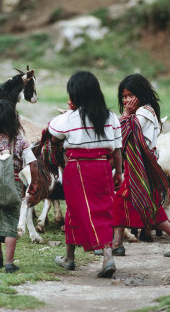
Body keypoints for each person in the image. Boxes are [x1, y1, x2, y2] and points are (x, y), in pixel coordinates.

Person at [48, 71, 123, 278]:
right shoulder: (111, 118)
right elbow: (117, 149)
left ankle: (107, 257)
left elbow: (53, 134)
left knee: (76, 210)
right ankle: (70, 258)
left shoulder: (69, 118)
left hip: (77, 169)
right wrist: (119, 172)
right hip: (103, 168)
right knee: (102, 211)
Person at [112, 74, 170, 257]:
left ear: (140, 94)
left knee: (142, 205)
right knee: (128, 203)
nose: (126, 100)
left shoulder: (144, 113)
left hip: (141, 166)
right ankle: (117, 244)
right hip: (136, 165)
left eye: (130, 95)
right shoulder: (140, 112)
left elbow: (122, 133)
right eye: (124, 96)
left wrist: (125, 115)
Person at [0, 100, 38, 273]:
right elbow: (33, 163)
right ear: (14, 120)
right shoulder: (19, 140)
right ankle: (9, 262)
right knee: (11, 223)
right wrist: (33, 184)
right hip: (14, 186)